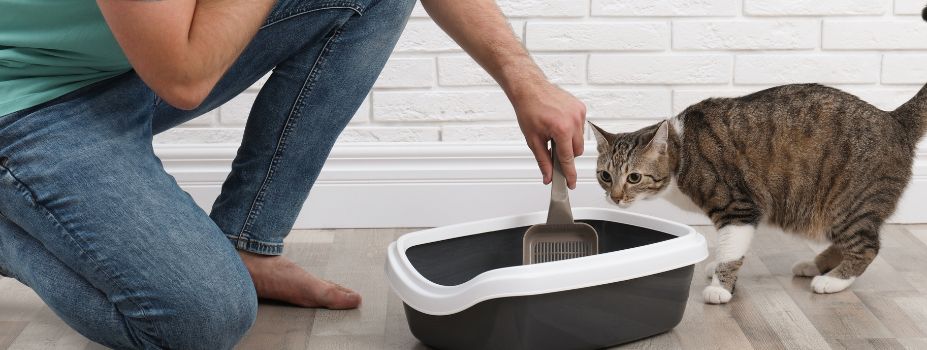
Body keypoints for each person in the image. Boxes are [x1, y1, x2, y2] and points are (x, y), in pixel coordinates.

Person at [0, 0, 587, 348]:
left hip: (130, 67)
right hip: (33, 102)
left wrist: (524, 79)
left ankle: (248, 242)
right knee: (202, 319)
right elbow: (181, 76)